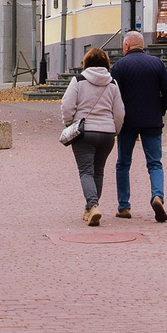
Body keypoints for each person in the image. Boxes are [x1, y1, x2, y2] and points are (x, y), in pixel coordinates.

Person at [110, 29, 167, 222]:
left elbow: (114, 97)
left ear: (126, 46)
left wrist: (116, 118)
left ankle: (124, 206)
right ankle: (157, 196)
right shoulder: (156, 63)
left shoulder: (119, 66)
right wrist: (160, 109)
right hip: (152, 120)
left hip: (127, 122)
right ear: (142, 45)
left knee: (123, 163)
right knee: (155, 163)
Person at [58, 47, 125, 225]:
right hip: (107, 133)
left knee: (86, 171)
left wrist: (69, 123)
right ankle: (90, 208)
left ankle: (93, 205)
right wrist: (115, 130)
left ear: (86, 62)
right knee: (98, 171)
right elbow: (119, 112)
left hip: (84, 133)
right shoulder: (112, 83)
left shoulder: (78, 80)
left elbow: (67, 105)